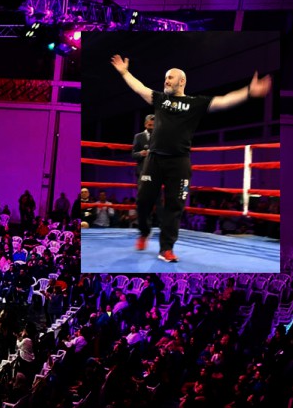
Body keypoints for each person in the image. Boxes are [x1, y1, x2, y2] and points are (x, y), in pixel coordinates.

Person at [110, 54, 272, 262]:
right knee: (143, 201)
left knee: (175, 206)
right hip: (154, 161)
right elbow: (139, 87)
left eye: (170, 77)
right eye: (165, 78)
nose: (166, 81)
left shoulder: (195, 103)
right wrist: (124, 72)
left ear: (182, 81)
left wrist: (248, 92)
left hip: (179, 163)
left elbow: (223, 101)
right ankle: (144, 231)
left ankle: (166, 249)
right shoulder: (160, 100)